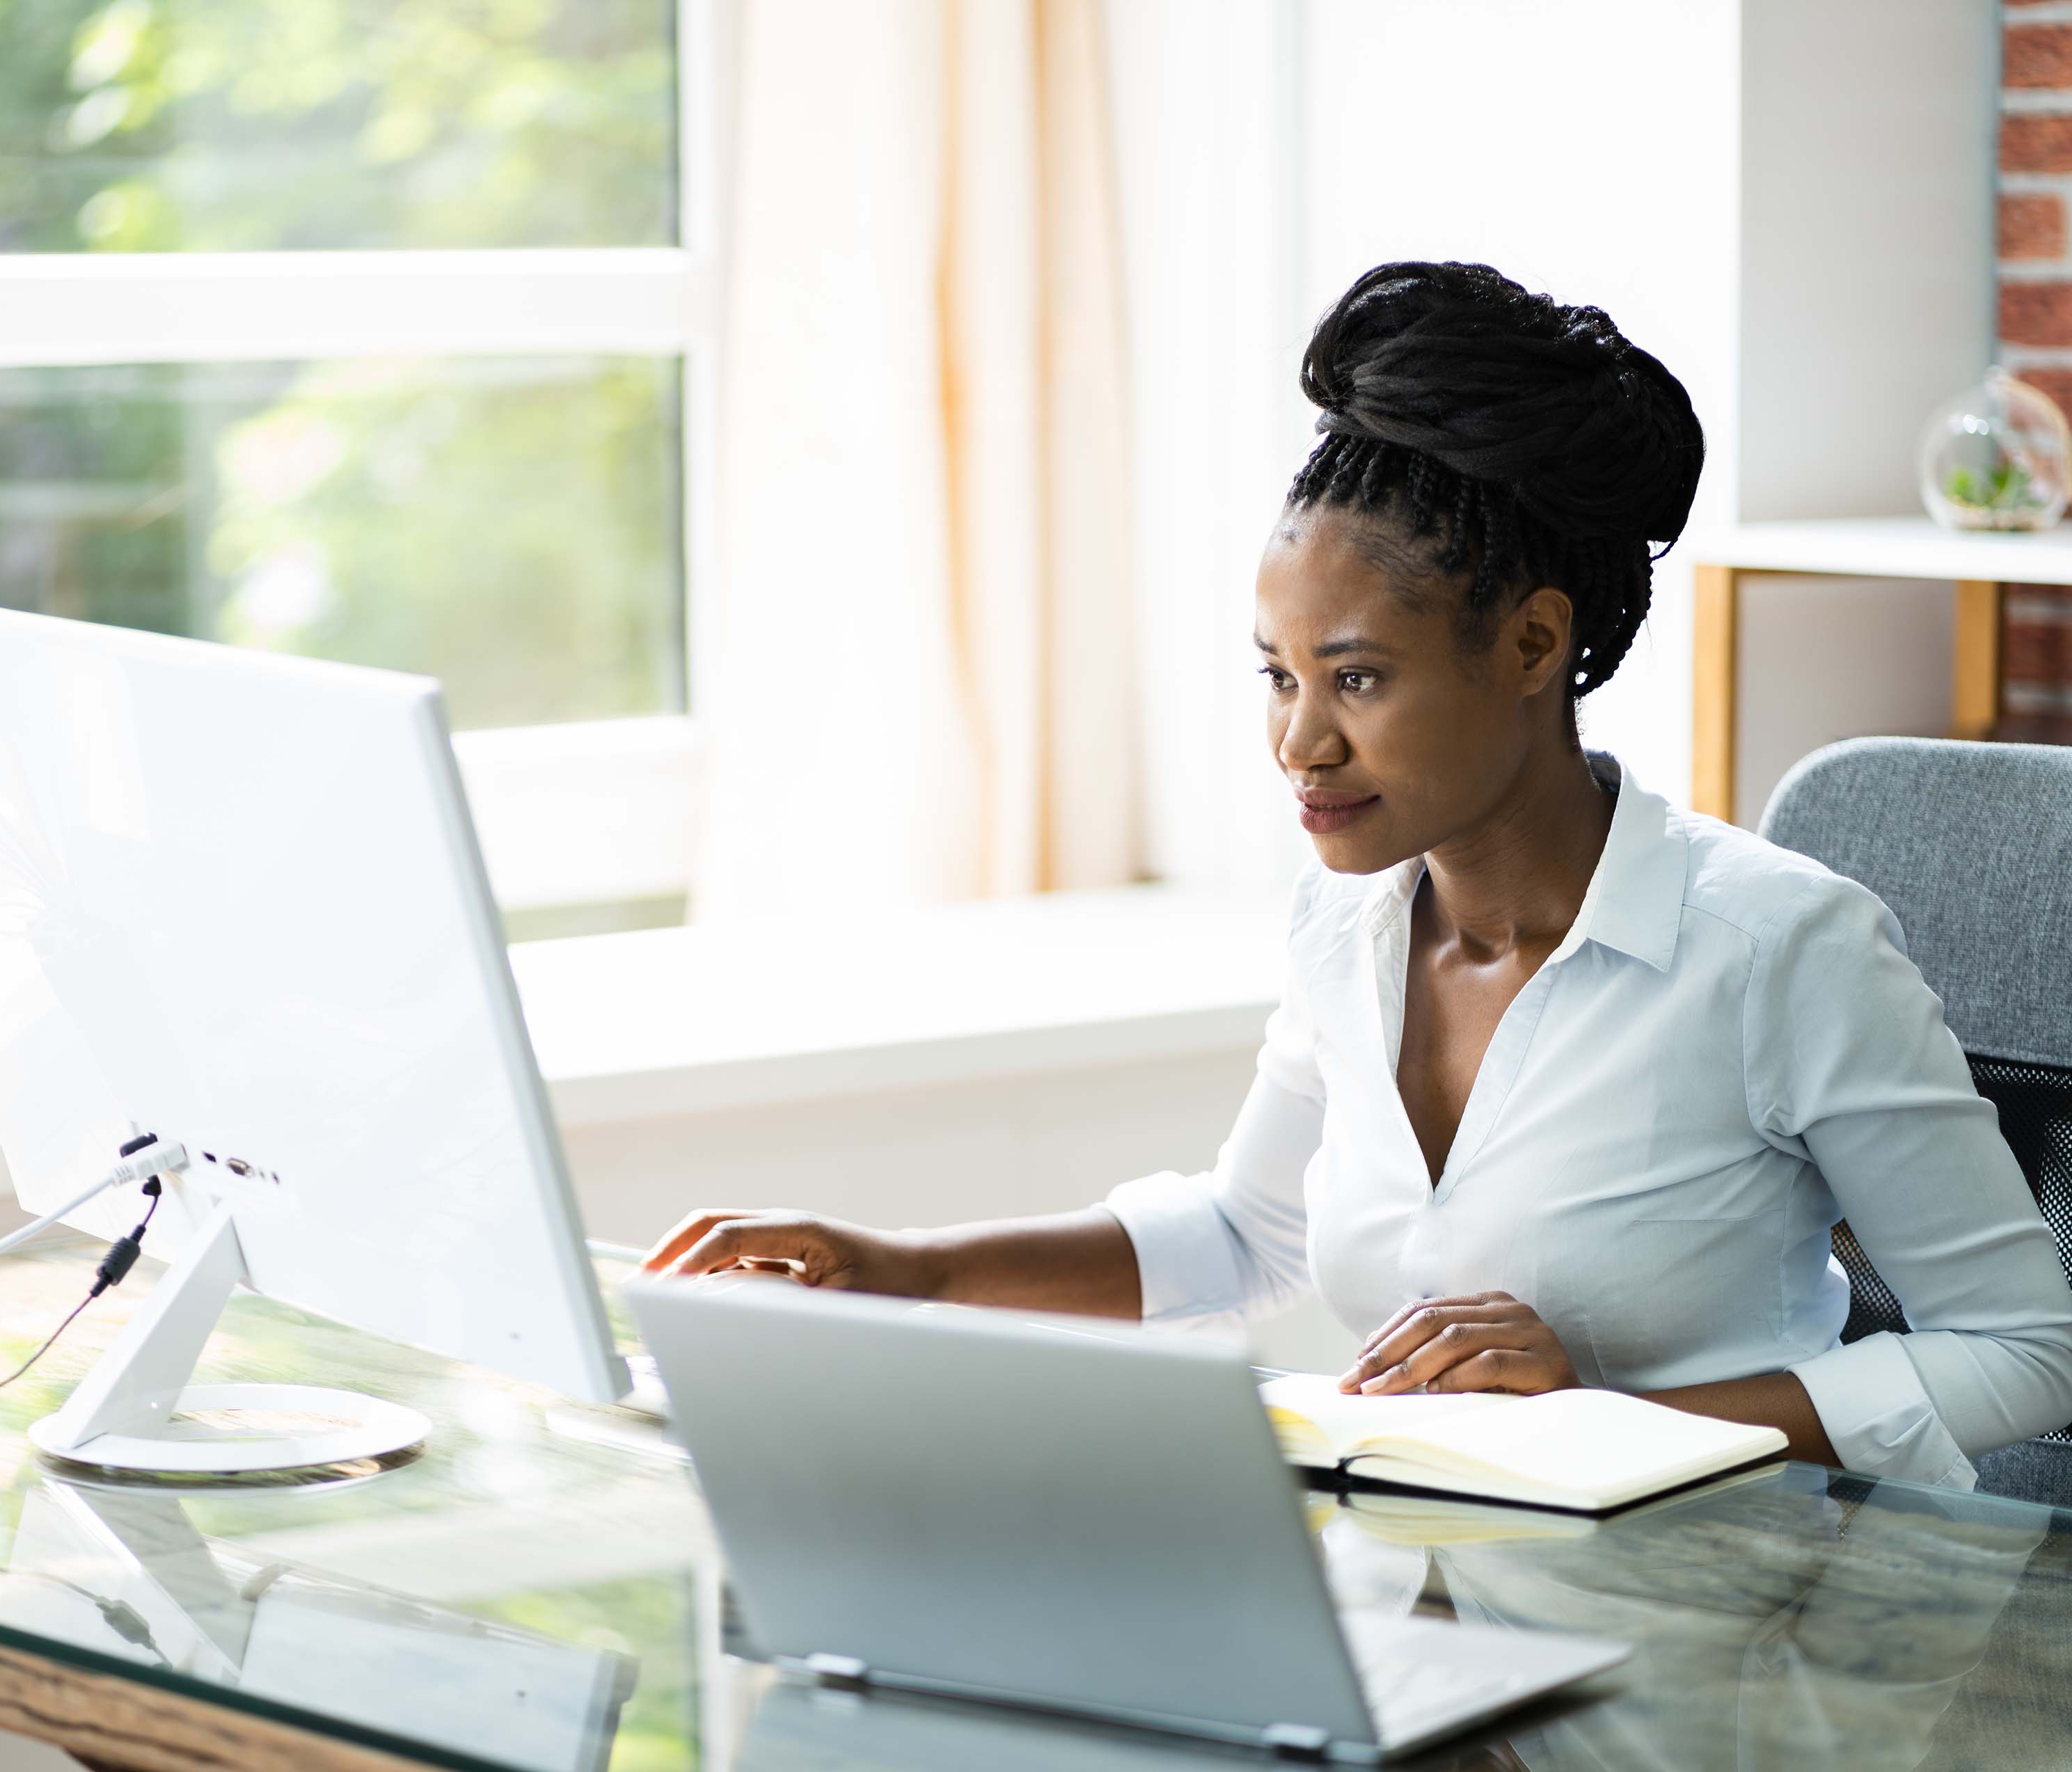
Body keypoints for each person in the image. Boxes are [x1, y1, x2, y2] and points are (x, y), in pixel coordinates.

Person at [642, 260, 2072, 1490]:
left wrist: (1612, 1426)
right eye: (1276, 676)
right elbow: (1242, 1229)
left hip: (1735, 1641)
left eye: (1360, 678)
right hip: (1440, 1599)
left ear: (1530, 645)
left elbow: (2026, 1350)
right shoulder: (1348, 921)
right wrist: (901, 1268)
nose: (1298, 740)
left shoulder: (1775, 948)